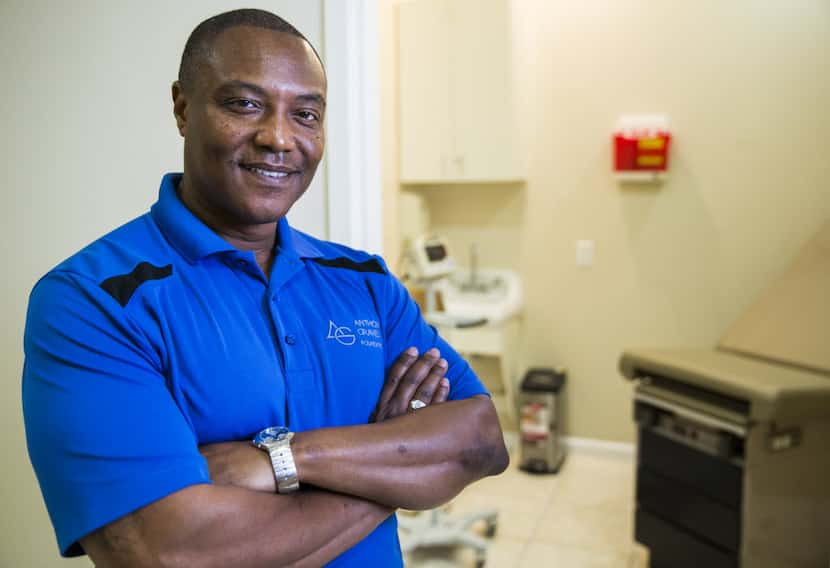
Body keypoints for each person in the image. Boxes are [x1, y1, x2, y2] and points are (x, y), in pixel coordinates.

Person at [22, 8, 508, 568]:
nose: (279, 138)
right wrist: (395, 464)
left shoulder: (367, 284)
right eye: (244, 104)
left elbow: (481, 441)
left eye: (306, 114)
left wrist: (285, 457)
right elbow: (168, 551)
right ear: (182, 108)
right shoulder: (92, 301)